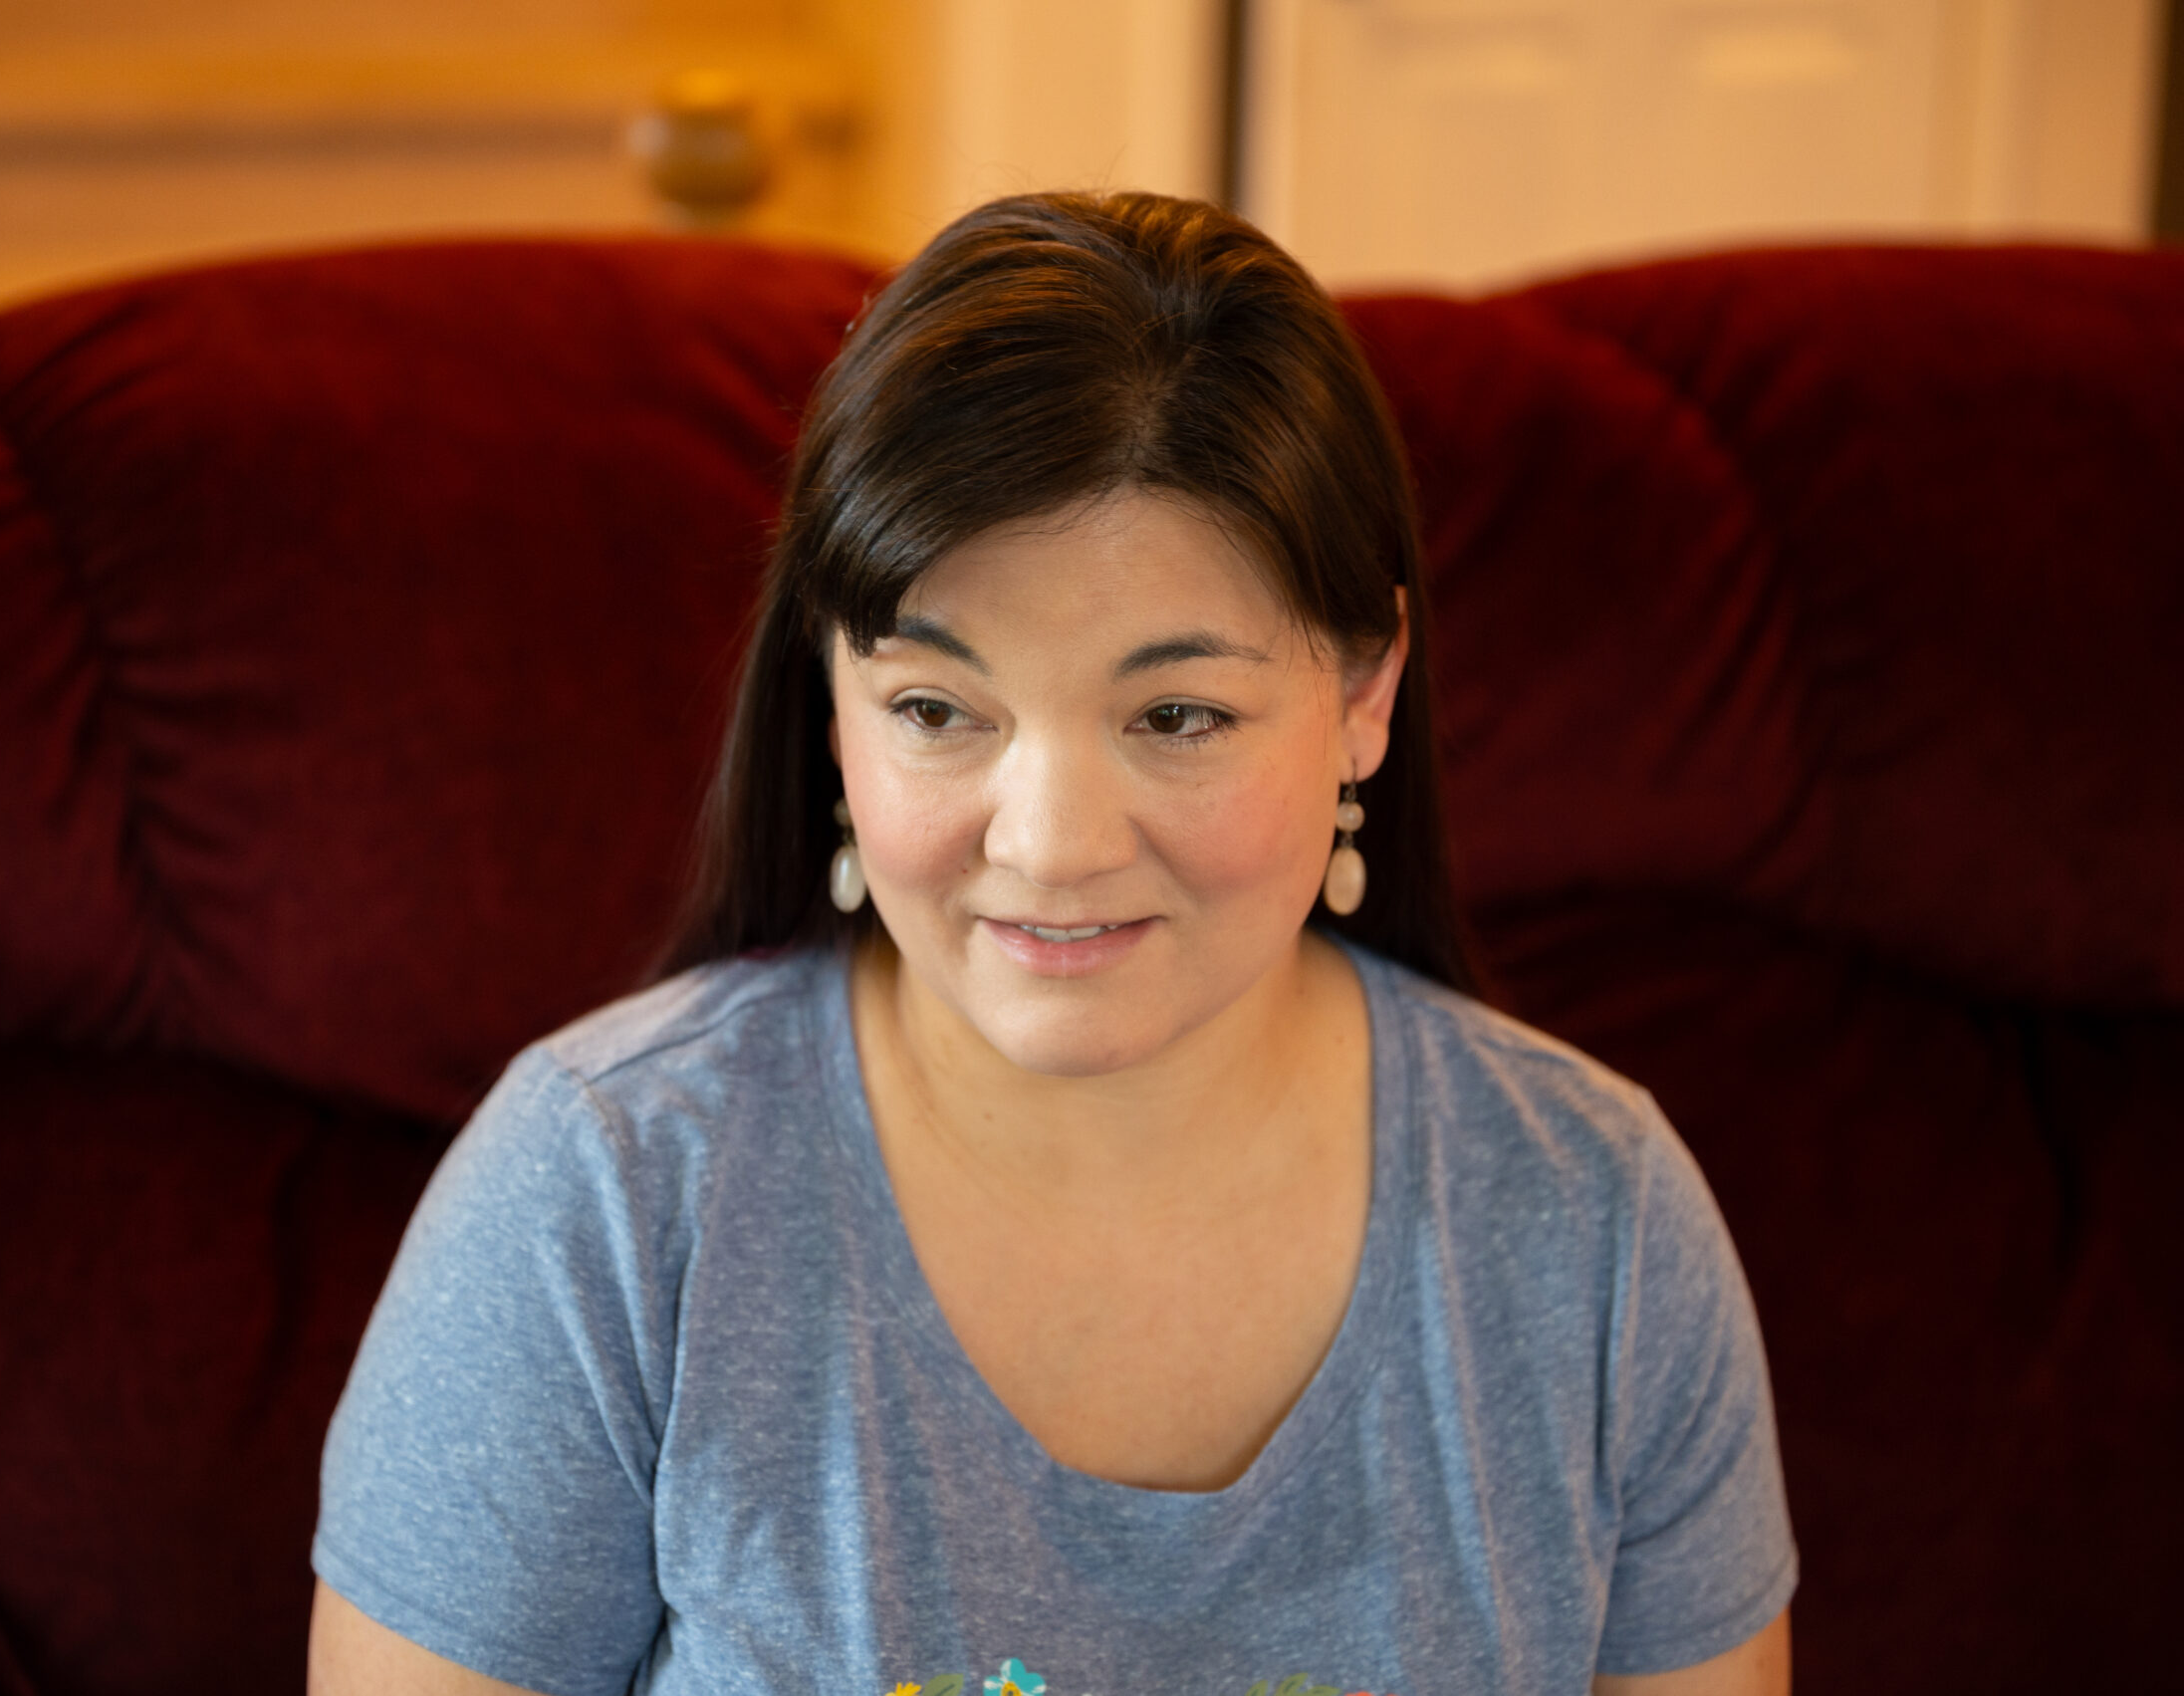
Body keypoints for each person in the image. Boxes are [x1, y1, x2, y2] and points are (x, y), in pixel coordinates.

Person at [307, 191, 1795, 1696]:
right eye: (938, 711)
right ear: (830, 705)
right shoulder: (604, 1199)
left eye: (1176, 717)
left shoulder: (1599, 1226)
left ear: (1365, 693)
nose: (1051, 843)